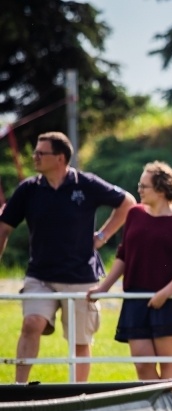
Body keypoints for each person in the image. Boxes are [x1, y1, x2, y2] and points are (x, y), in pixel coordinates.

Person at [0, 131, 135, 383]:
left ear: (60, 158)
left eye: (42, 152)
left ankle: (77, 394)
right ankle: (19, 388)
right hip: (40, 276)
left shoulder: (86, 183)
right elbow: (4, 227)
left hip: (81, 277)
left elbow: (127, 201)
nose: (35, 157)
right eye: (35, 152)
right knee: (31, 324)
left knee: (80, 340)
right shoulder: (28, 189)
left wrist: (102, 236)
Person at [87, 161, 172, 381]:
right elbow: (123, 255)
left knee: (167, 360)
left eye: (143, 186)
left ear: (160, 189)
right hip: (136, 298)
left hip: (170, 300)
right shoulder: (135, 214)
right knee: (142, 363)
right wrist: (104, 287)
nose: (139, 190)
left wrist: (165, 294)